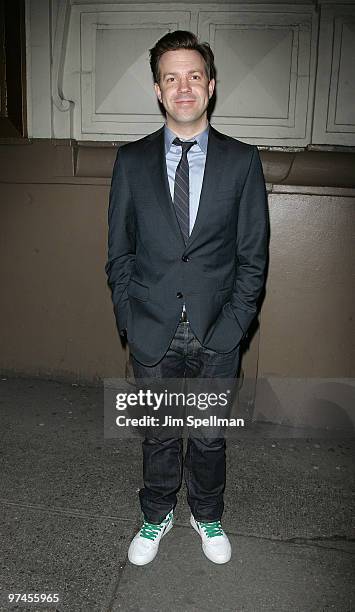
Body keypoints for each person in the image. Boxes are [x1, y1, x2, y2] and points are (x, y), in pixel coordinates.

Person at [105, 30, 269, 566]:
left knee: (207, 436)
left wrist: (235, 325)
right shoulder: (129, 162)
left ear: (210, 86)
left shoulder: (242, 163)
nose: (183, 87)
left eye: (193, 76)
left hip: (217, 329)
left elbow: (252, 257)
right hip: (152, 327)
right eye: (171, 78)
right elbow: (119, 252)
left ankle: (207, 513)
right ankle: (156, 515)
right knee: (157, 434)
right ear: (157, 90)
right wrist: (129, 317)